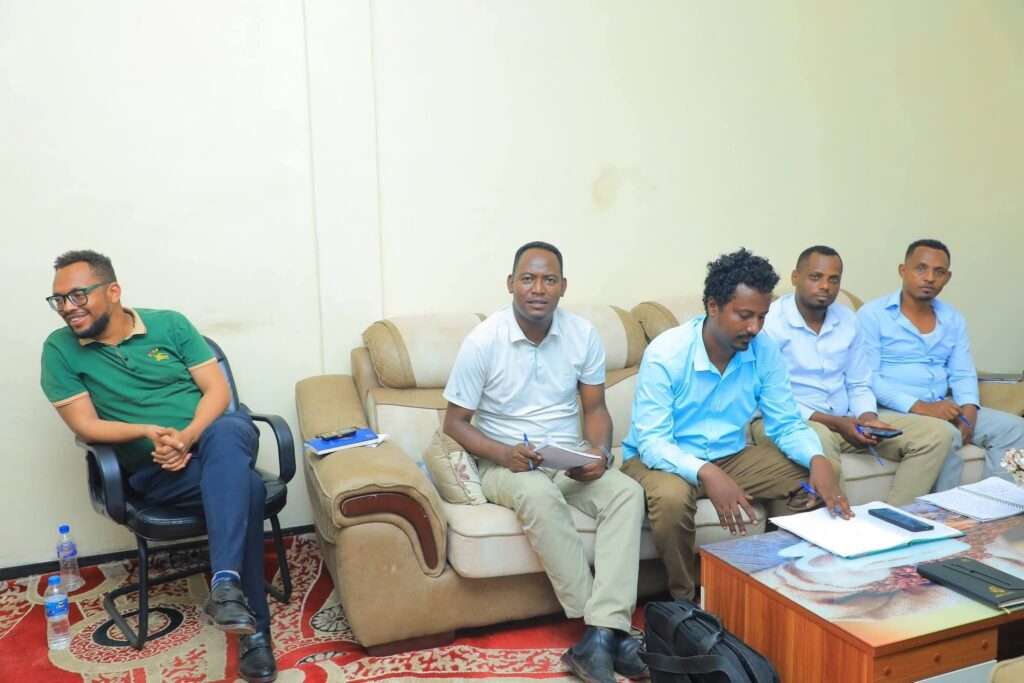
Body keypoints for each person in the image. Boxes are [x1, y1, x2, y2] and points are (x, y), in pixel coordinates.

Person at [39, 250, 277, 683]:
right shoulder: (60, 350)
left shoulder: (170, 324)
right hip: (159, 471)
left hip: (216, 440)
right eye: (59, 299)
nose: (67, 308)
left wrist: (187, 436)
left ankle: (229, 590)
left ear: (113, 291)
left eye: (78, 295)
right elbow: (85, 424)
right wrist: (149, 431)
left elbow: (217, 392)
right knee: (248, 488)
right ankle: (249, 622)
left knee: (226, 430)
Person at [442, 242, 646, 683]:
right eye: (528, 279)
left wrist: (599, 452)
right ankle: (608, 631)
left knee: (627, 492)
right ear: (511, 283)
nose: (538, 288)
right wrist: (504, 454)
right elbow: (454, 423)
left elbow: (596, 409)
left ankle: (600, 637)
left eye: (549, 279)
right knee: (537, 492)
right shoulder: (483, 341)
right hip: (505, 463)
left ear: (563, 286)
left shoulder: (582, 334)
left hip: (566, 457)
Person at [620, 248, 852, 602]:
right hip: (660, 459)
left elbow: (786, 423)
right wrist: (708, 473)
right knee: (671, 498)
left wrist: (817, 458)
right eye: (744, 316)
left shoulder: (765, 350)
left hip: (730, 455)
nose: (754, 328)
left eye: (762, 316)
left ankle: (776, 582)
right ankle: (684, 602)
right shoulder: (667, 353)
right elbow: (653, 442)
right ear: (713, 306)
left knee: (816, 474)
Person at [756, 245, 951, 505]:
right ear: (795, 277)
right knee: (818, 438)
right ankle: (841, 523)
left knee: (938, 434)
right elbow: (769, 398)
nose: (825, 286)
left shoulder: (848, 320)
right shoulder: (769, 323)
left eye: (833, 279)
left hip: (844, 420)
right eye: (816, 277)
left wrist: (868, 418)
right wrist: (837, 423)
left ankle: (897, 516)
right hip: (786, 421)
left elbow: (859, 382)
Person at [857, 239, 1024, 491]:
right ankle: (945, 511)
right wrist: (922, 407)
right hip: (893, 409)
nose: (929, 278)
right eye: (921, 268)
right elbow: (867, 377)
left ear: (947, 277)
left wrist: (969, 410)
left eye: (939, 272)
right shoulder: (873, 315)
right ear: (903, 270)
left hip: (942, 405)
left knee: (1015, 429)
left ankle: (994, 504)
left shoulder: (952, 317)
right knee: (946, 435)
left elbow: (962, 372)